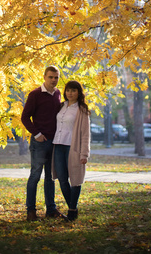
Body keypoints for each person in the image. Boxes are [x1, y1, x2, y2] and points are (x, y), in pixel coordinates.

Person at [21, 65, 64, 221]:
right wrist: (37, 134)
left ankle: (51, 210)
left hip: (54, 142)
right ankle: (30, 211)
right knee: (35, 176)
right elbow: (25, 117)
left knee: (50, 177)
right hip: (39, 142)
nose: (53, 80)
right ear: (44, 77)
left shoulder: (58, 93)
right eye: (50, 77)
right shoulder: (35, 95)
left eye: (56, 77)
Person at [52, 80, 90, 222]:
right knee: (62, 179)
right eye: (68, 90)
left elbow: (86, 133)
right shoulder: (61, 106)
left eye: (73, 91)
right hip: (58, 145)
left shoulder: (82, 110)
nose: (70, 93)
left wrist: (84, 153)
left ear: (78, 93)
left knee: (75, 180)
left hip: (72, 147)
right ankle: (73, 208)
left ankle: (72, 211)